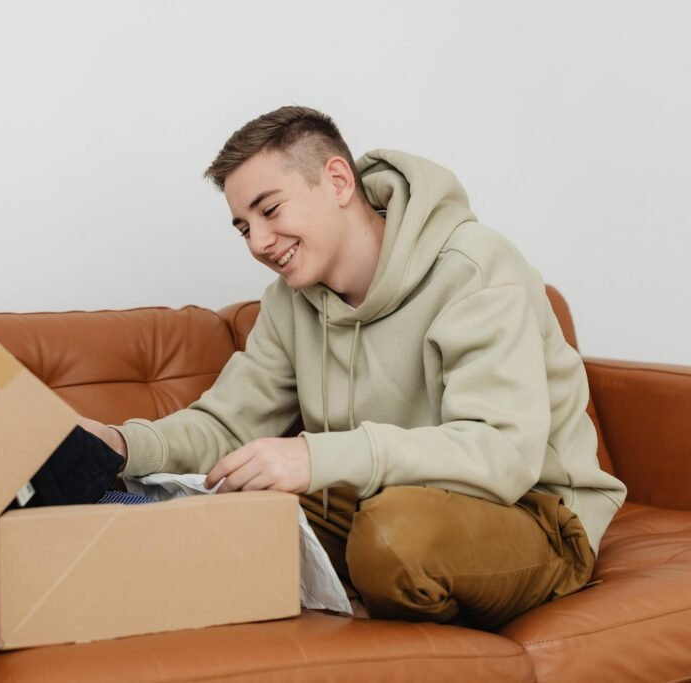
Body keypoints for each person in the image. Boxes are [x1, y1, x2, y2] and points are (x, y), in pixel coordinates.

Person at [77, 105, 626, 629]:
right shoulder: (290, 302)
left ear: (338, 181)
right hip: (374, 507)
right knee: (223, 516)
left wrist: (316, 455)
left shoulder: (474, 268)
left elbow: (502, 452)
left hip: (534, 514)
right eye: (243, 227)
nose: (260, 242)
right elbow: (226, 425)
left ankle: (380, 589)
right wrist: (120, 445)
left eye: (270, 210)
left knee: (392, 539)